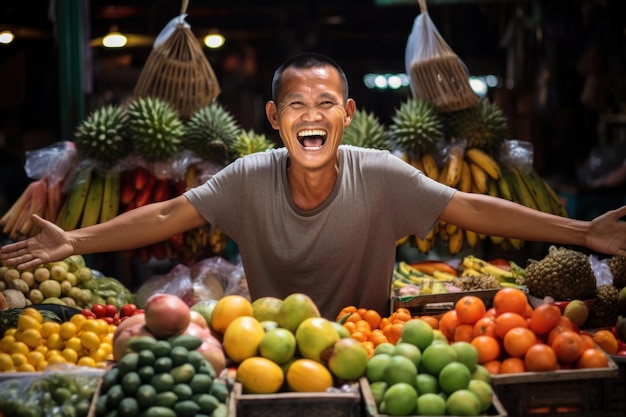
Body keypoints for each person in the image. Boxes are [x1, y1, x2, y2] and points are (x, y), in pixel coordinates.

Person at [1, 53, 626, 320]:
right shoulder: (249, 178)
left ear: (347, 115)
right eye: (294, 104)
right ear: (274, 120)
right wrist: (74, 241)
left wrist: (582, 231)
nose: (310, 114)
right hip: (274, 356)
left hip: (371, 349)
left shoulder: (378, 176)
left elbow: (470, 206)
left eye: (325, 102)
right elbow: (167, 215)